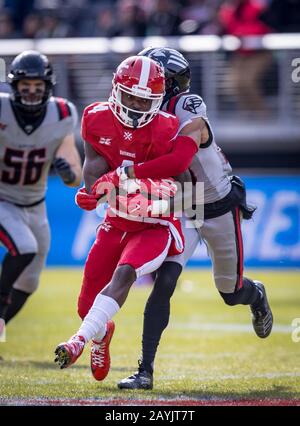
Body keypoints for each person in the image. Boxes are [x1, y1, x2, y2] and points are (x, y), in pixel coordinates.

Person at [116, 47, 274, 390]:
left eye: (151, 81)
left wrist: (129, 173)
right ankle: (145, 370)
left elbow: (177, 160)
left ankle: (256, 295)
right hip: (185, 208)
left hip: (217, 204)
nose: (143, 92)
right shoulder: (147, 116)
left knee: (230, 293)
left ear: (168, 84)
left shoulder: (187, 106)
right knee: (165, 282)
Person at [54, 55, 199, 381]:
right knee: (86, 304)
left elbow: (186, 185)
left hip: (155, 225)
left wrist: (145, 192)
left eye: (142, 99)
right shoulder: (96, 118)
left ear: (156, 101)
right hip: (116, 221)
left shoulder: (167, 128)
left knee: (125, 273)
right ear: (116, 91)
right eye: (130, 96)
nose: (134, 104)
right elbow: (94, 166)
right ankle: (101, 335)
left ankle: (78, 341)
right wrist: (92, 191)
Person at [0, 50, 82, 328]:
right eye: (26, 87)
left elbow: (75, 177)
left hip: (35, 205)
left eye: (38, 87)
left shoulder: (61, 113)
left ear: (48, 86)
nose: (32, 92)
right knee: (24, 247)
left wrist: (68, 171)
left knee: (30, 280)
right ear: (14, 86)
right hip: (2, 198)